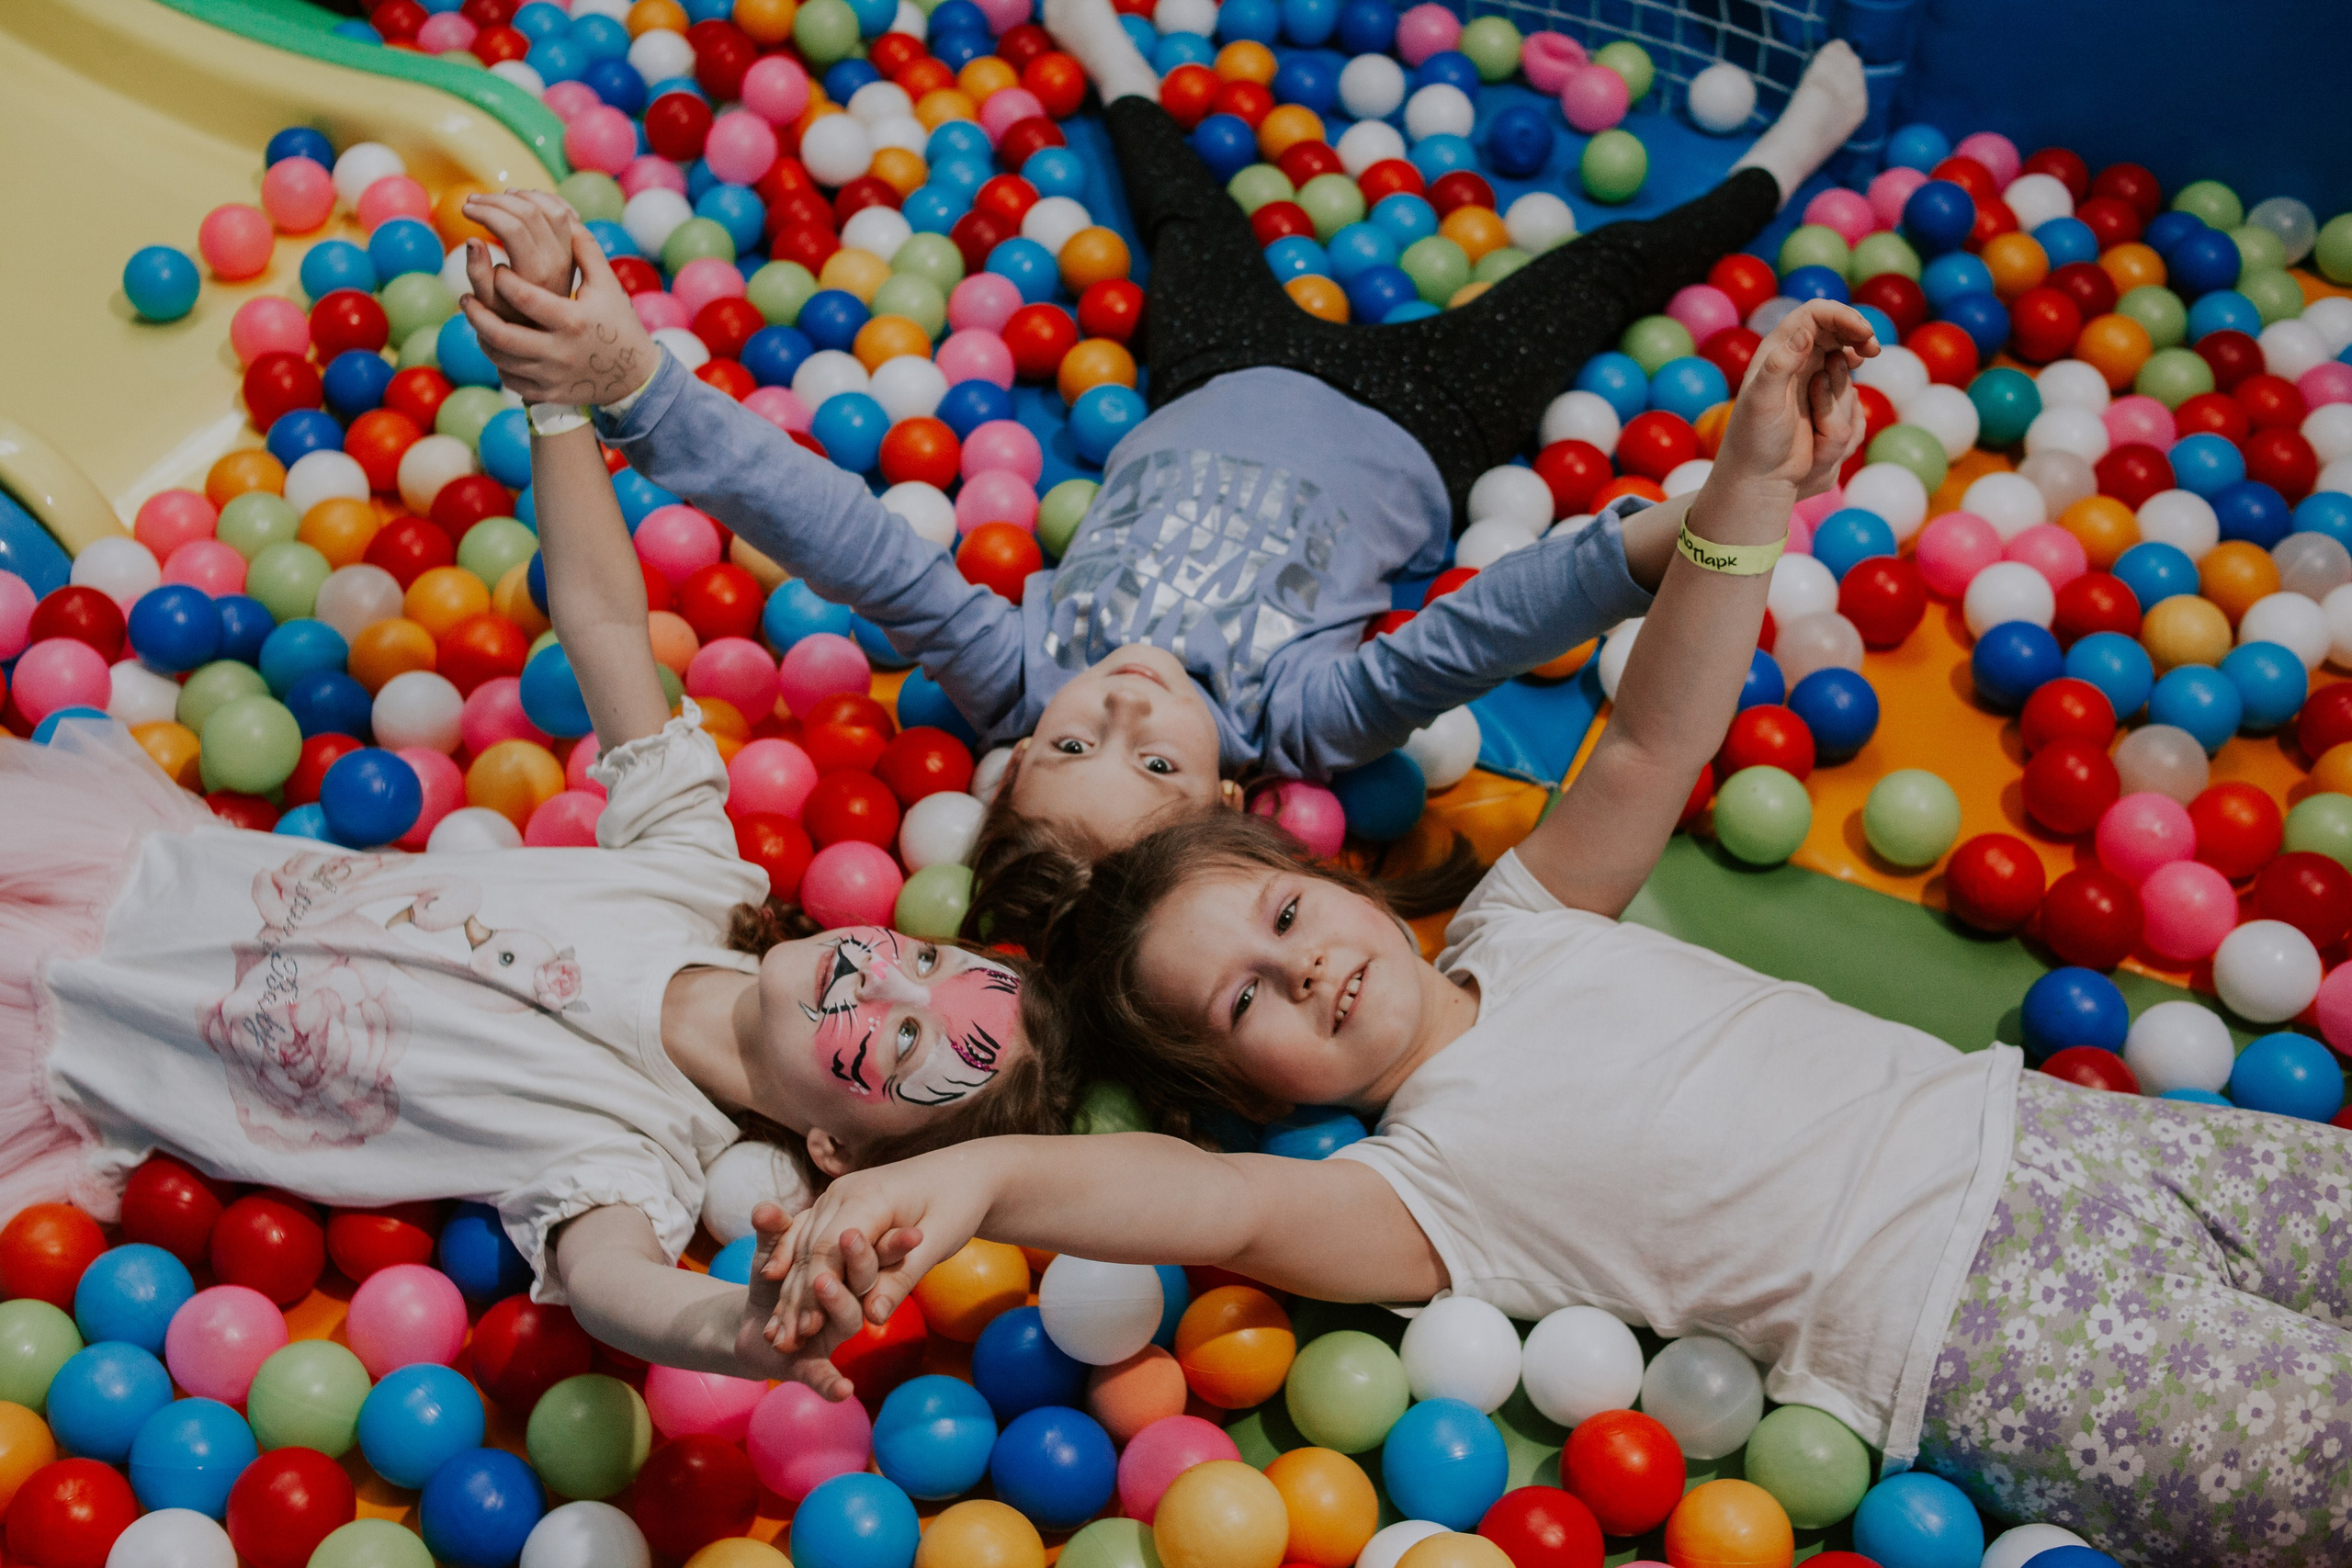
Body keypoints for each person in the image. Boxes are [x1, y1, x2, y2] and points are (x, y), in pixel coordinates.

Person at [761, 299, 2352, 1565]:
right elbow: (1204, 1206)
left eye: (1288, 912)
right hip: (1988, 1329)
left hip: (2069, 1133)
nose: (1301, 963)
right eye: (1247, 1000)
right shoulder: (1419, 1191)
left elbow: (1653, 741)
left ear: (1348, 887)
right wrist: (969, 1170)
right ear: (1253, 1088)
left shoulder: (1524, 919)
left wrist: (1743, 487)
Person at [455, 10, 1870, 889]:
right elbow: (1490, 627)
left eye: (1075, 743)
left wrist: (638, 383)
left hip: (1217, 370)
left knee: (1186, 209)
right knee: (1602, 271)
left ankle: (1111, 54)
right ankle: (1790, 159)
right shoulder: (1305, 714)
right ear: (1236, 795)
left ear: (1020, 751)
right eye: (1158, 765)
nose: (1121, 712)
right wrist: (1682, 520)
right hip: (1428, 415)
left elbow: (845, 536)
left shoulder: (1022, 666)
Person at [0, 299, 1072, 1393]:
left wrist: (734, 1335)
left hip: (77, 1046)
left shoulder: (636, 1147)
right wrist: (559, 405)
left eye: (900, 1048)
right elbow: (608, 625)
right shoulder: (696, 874)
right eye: (930, 963)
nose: (881, 986)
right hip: (118, 865)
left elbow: (616, 1282)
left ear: (836, 1152)